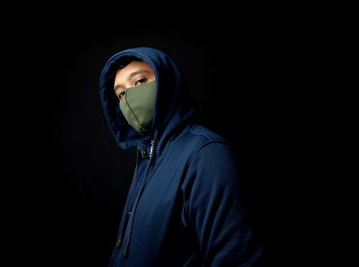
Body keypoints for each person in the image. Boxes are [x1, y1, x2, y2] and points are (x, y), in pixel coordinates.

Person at [99, 47, 264, 267]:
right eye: (120, 93)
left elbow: (235, 259)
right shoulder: (147, 157)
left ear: (167, 82)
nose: (128, 98)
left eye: (139, 82)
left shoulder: (206, 154)